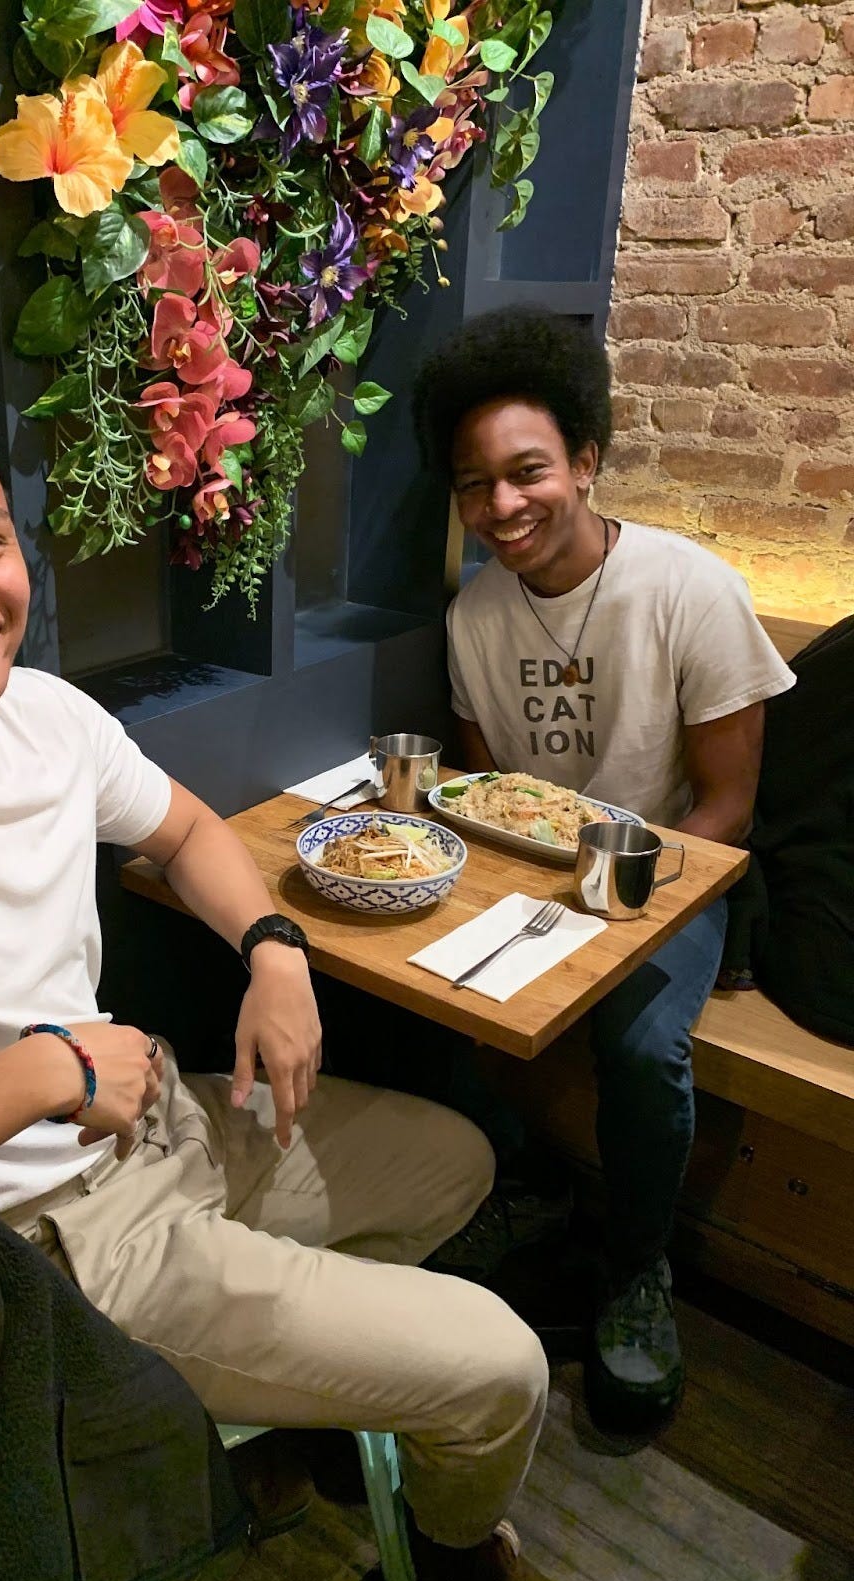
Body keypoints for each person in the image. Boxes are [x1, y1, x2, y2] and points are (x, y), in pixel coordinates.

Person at [0, 372, 548, 1581]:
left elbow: (184, 830)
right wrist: (42, 1070)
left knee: (458, 1160)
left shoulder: (43, 716)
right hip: (58, 1246)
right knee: (501, 1365)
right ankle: (451, 1567)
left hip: (165, 1121)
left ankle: (269, 1407)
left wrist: (274, 950)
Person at [410, 308, 795, 1436]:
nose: (502, 505)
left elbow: (727, 807)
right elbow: (491, 789)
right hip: (537, 875)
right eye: (474, 484)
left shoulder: (689, 588)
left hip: (674, 873)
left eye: (527, 470)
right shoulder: (475, 615)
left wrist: (617, 903)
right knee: (423, 987)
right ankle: (525, 1184)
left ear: (585, 460)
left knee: (638, 1044)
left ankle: (637, 1268)